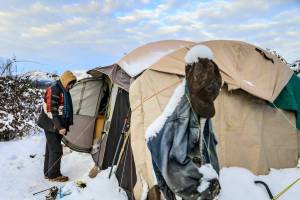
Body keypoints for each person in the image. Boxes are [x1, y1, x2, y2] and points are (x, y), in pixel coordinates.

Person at [38, 70, 77, 182]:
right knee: (56, 150)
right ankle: (54, 175)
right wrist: (60, 127)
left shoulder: (63, 90)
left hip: (54, 124)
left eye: (73, 83)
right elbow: (52, 110)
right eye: (70, 83)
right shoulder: (54, 90)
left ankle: (48, 173)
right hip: (51, 124)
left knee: (50, 148)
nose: (71, 86)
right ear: (65, 81)